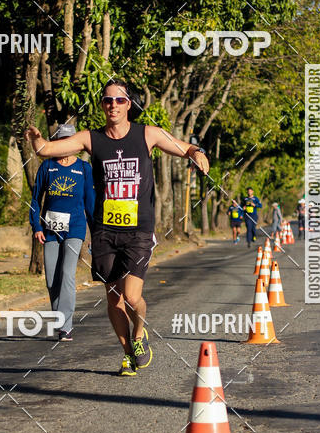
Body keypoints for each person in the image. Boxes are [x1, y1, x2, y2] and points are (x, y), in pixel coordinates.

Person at [26, 79, 209, 376]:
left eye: (119, 100)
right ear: (102, 105)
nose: (113, 105)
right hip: (105, 230)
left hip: (138, 228)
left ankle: (139, 335)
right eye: (108, 100)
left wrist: (198, 152)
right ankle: (127, 354)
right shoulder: (91, 138)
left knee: (133, 297)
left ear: (130, 105)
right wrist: (36, 139)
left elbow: (184, 147)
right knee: (113, 297)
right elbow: (46, 149)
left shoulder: (147, 134)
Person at [29, 123, 95, 341]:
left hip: (75, 228)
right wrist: (36, 226)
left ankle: (65, 326)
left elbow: (90, 203)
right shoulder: (47, 167)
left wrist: (94, 233)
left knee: (67, 275)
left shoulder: (84, 169)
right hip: (50, 229)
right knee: (51, 280)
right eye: (60, 140)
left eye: (69, 140)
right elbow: (35, 200)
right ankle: (60, 319)